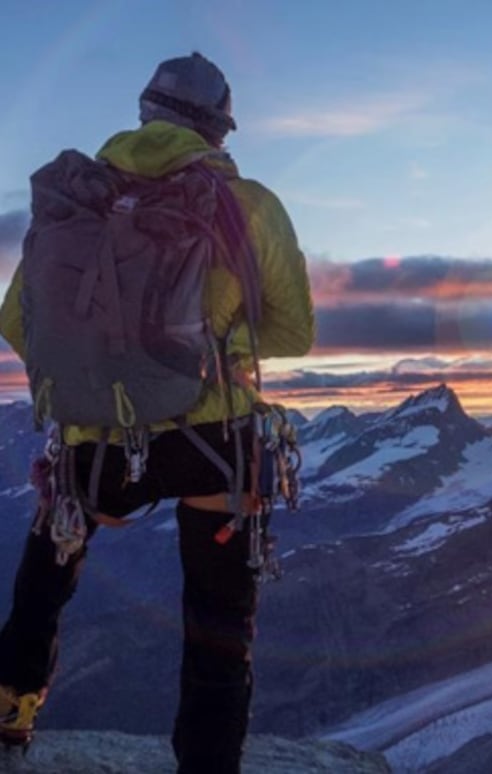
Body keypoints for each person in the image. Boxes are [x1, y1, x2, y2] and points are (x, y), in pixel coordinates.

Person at [0, 52, 314, 773]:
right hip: (214, 440)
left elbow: (19, 321)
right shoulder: (249, 204)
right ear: (216, 131)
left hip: (97, 435)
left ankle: (12, 707)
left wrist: (102, 367)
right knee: (218, 620)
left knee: (45, 575)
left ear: (145, 114)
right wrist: (209, 346)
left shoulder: (76, 201)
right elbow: (295, 332)